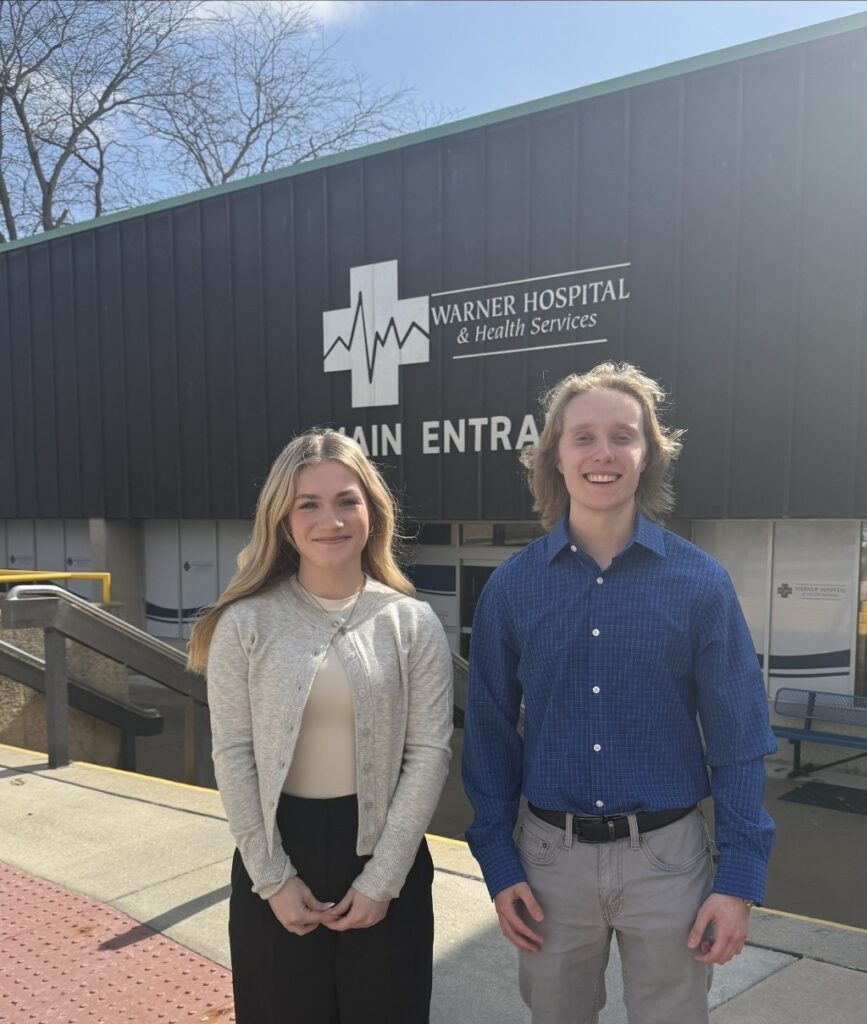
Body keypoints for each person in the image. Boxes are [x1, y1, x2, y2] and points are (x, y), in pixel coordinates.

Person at [462, 362, 776, 1024]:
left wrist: (739, 880)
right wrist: (498, 860)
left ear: (648, 454)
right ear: (554, 456)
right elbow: (489, 734)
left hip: (669, 864)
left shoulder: (701, 584)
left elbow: (740, 738)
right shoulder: (512, 589)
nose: (602, 453)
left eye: (623, 436)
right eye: (583, 437)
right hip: (548, 866)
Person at [188, 429, 453, 1024]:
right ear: (283, 523)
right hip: (276, 859)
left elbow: (429, 753)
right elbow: (232, 753)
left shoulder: (412, 623)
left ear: (371, 513)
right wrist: (272, 877)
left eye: (346, 500)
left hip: (389, 856)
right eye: (308, 503)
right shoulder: (245, 624)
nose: (329, 519)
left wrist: (384, 879)